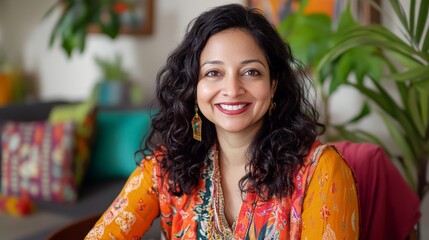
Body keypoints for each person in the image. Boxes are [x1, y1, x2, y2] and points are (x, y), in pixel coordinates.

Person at [85, 4, 359, 239]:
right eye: (214, 72)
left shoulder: (319, 172)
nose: (232, 88)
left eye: (251, 72)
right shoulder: (165, 169)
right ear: (194, 86)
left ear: (273, 85)